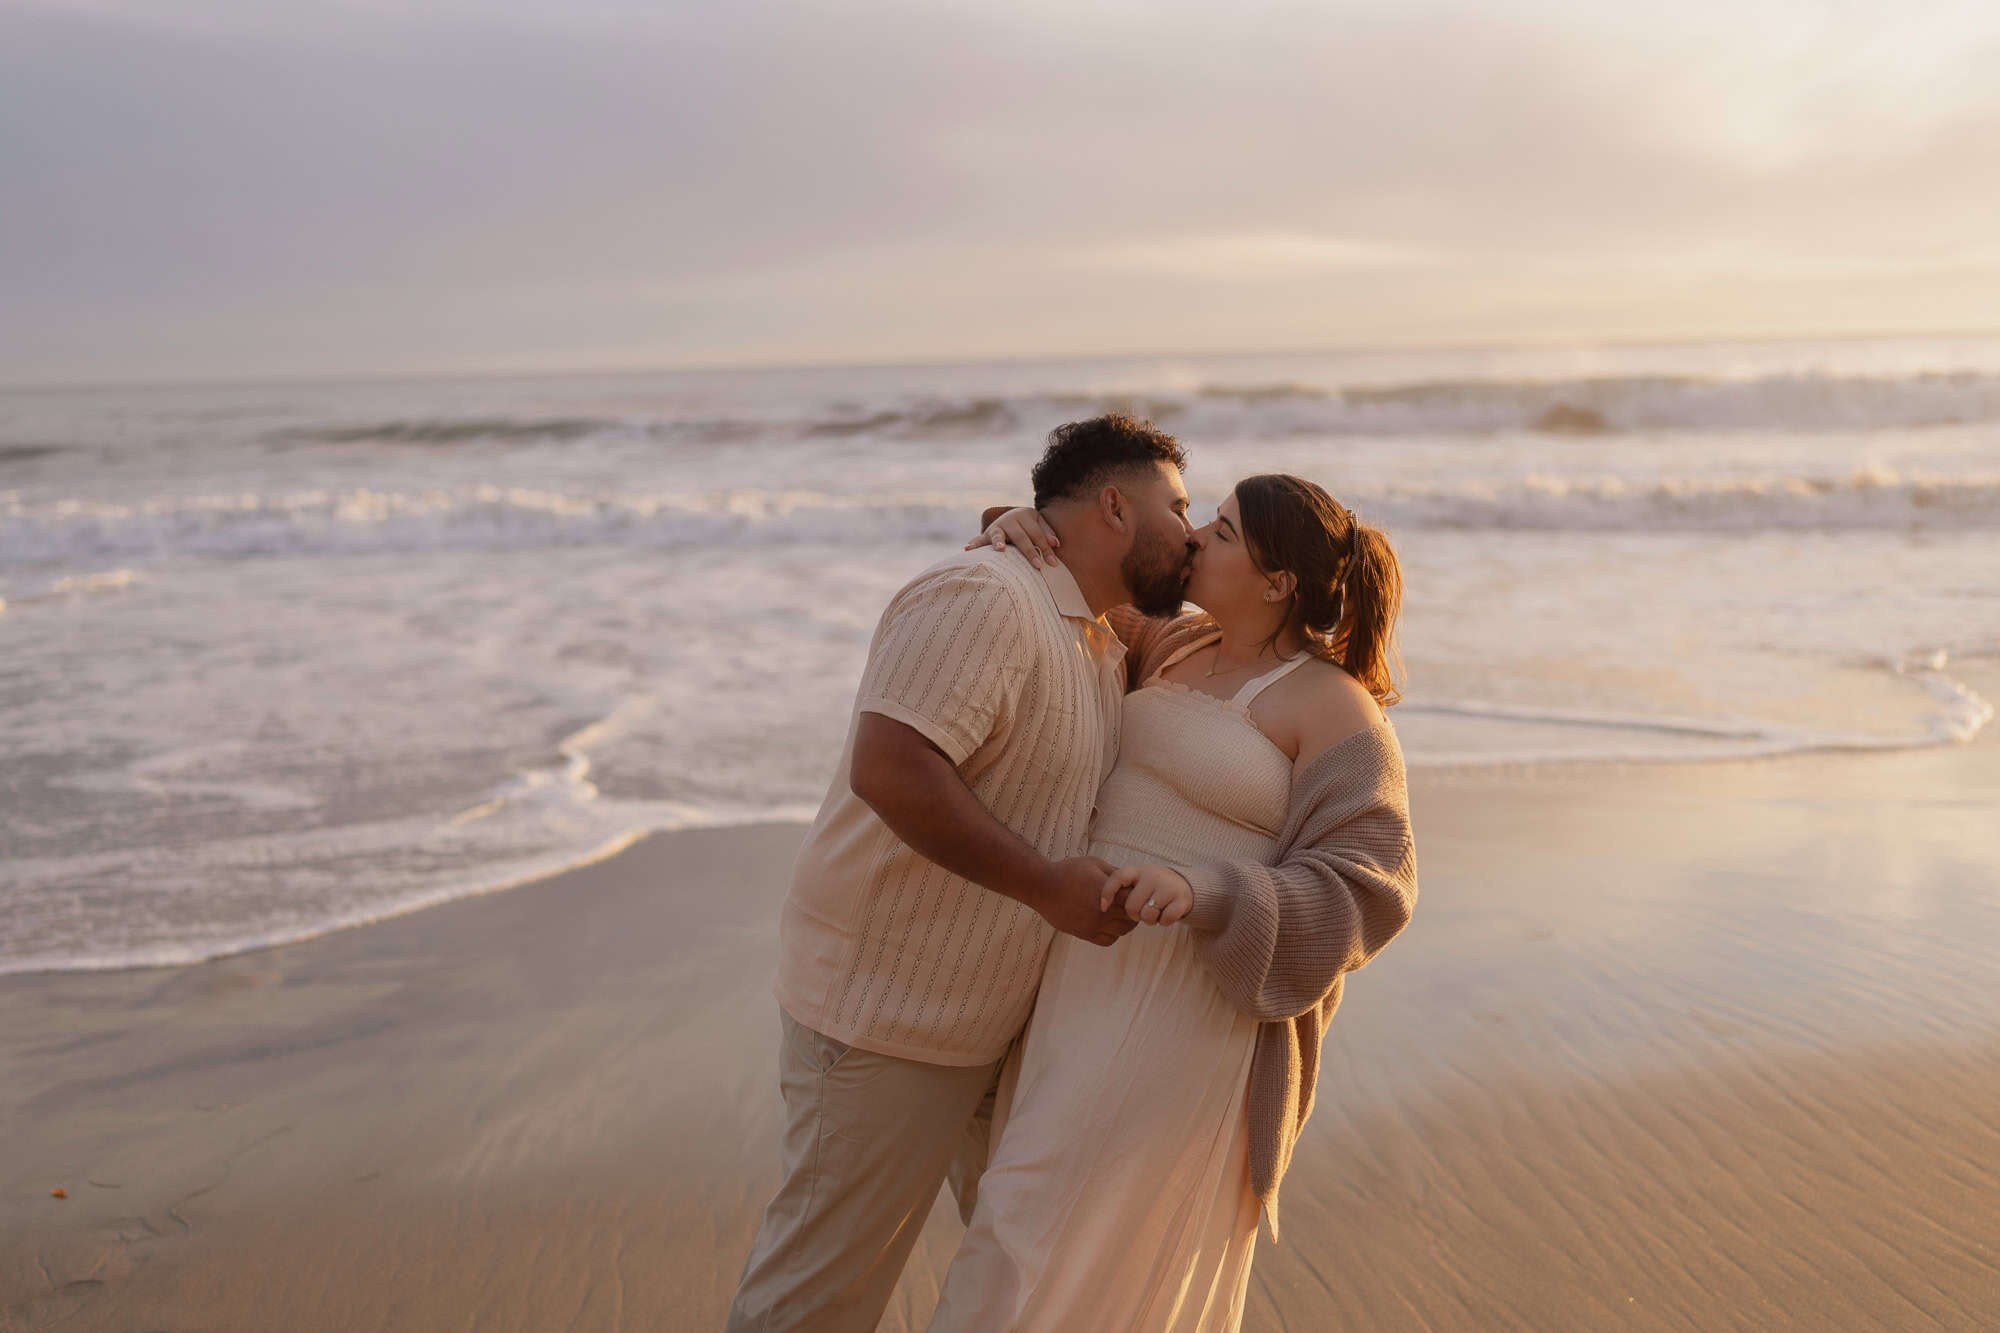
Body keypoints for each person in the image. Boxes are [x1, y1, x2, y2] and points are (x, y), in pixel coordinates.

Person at [727, 414, 1199, 1333]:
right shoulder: (984, 596)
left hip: (992, 1024)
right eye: (1178, 507)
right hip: (886, 1020)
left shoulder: (1099, 632)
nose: (1190, 531)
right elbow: (891, 767)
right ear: (1113, 507)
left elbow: (1249, 623)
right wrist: (1044, 885)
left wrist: (1010, 514)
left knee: (1026, 1281)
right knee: (815, 1299)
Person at [928, 474, 1418, 1332]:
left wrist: (1206, 891)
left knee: (1024, 1227)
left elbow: (1372, 883)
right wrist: (1015, 521)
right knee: (1031, 1218)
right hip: (1079, 980)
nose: (1196, 540)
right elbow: (1077, 569)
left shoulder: (1332, 706)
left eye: (1223, 533)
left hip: (1187, 1012)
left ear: (1278, 583)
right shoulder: (1178, 644)